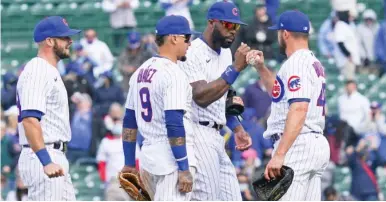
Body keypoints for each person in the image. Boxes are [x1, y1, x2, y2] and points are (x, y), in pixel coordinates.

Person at [247, 10, 330, 200]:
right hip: (313, 142)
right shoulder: (312, 62)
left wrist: (280, 154)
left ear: (285, 34)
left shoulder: (296, 63)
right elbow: (279, 93)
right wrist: (261, 67)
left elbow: (299, 108)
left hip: (298, 144)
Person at [178, 1, 252, 200]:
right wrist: (235, 69)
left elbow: (224, 94)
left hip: (218, 135)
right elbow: (201, 96)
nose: (233, 31)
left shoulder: (227, 53)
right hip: (197, 132)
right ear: (212, 22)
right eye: (228, 25)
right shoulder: (192, 51)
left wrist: (237, 128)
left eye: (236, 26)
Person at [120, 15, 196, 200]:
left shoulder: (140, 72)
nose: (190, 44)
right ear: (174, 38)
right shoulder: (173, 73)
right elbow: (174, 122)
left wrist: (130, 163)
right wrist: (184, 167)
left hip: (148, 157)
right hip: (171, 160)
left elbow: (129, 121)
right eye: (187, 38)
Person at [16, 16, 80, 200]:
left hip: (54, 153)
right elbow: (29, 119)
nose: (70, 41)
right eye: (65, 37)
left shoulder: (49, 70)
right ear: (50, 41)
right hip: (43, 154)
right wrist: (46, 161)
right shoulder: (38, 70)